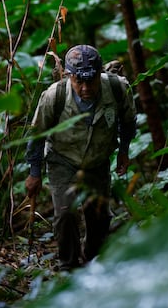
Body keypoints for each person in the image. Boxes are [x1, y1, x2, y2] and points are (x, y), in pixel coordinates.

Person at [25, 44, 137, 270]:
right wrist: (34, 173)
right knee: (65, 215)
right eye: (79, 81)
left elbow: (128, 121)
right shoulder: (54, 96)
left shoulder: (117, 88)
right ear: (69, 76)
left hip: (97, 160)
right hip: (62, 159)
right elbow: (37, 134)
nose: (85, 88)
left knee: (99, 217)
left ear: (100, 75)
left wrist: (124, 151)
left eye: (91, 80)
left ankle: (92, 263)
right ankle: (69, 266)